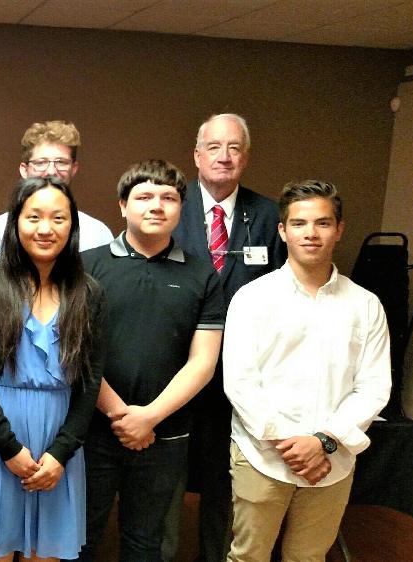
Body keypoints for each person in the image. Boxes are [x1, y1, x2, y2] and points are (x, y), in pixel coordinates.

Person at [224, 180, 390, 562]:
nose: (310, 233)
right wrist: (293, 444)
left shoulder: (365, 305)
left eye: (323, 223)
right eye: (299, 223)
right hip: (263, 456)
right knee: (247, 557)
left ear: (339, 229)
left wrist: (323, 442)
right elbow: (240, 381)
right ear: (283, 231)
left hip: (333, 460)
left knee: (309, 559)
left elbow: (374, 386)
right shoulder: (252, 298)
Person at [0, 175, 105, 561]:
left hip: (57, 443)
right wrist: (9, 448)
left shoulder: (89, 292)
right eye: (34, 217)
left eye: (58, 218)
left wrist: (60, 453)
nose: (45, 229)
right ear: (16, 222)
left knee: (44, 554)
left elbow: (89, 380)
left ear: (73, 225)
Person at [79, 160, 225, 561]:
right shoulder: (87, 266)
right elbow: (76, 353)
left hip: (166, 434)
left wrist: (150, 417)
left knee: (147, 542)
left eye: (169, 198)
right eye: (144, 196)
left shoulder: (202, 274)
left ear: (182, 208)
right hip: (92, 430)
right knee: (81, 539)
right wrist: (120, 414)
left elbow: (203, 362)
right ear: (123, 206)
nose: (156, 205)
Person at [163, 113, 287, 562]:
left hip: (240, 380)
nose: (224, 156)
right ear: (196, 155)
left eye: (234, 148)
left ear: (246, 157)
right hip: (173, 373)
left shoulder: (270, 215)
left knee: (226, 484)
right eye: (214, 147)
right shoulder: (168, 206)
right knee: (167, 483)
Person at [0, 120, 113, 253]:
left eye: (61, 162)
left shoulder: (97, 234)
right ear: (24, 170)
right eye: (41, 162)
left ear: (74, 168)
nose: (51, 171)